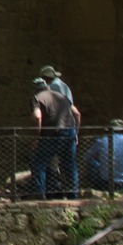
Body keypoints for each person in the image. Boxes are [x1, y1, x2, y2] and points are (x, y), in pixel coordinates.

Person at [30, 67, 81, 198]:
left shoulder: (37, 97)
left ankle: (40, 195)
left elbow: (37, 116)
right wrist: (76, 133)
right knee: (70, 165)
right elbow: (77, 114)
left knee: (38, 163)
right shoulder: (62, 96)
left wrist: (37, 137)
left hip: (52, 134)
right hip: (69, 131)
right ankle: (73, 196)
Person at [84, 119, 123, 196]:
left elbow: (87, 158)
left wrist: (99, 165)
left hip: (105, 184)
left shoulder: (100, 141)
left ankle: (102, 192)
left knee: (92, 169)